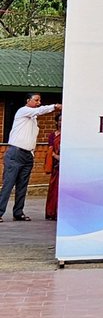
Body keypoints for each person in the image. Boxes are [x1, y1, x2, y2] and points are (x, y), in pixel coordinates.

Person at [0, 93, 61, 222]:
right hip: (16, 152)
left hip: (27, 155)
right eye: (36, 100)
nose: (39, 102)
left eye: (40, 100)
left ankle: (18, 212)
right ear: (28, 100)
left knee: (23, 185)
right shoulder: (23, 111)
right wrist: (55, 106)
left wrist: (32, 153)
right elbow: (40, 110)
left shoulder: (33, 119)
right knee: (8, 184)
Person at [44, 115, 61, 220]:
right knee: (53, 188)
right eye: (59, 120)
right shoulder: (52, 135)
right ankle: (52, 212)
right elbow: (50, 150)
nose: (61, 122)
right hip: (56, 164)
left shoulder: (70, 135)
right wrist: (55, 156)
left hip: (67, 165)